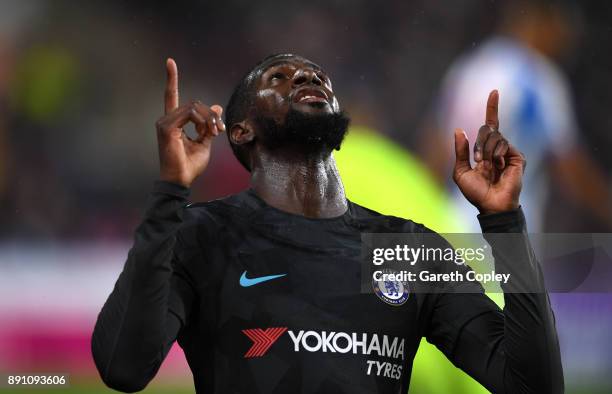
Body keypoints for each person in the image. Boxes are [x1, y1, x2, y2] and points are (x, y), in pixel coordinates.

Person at [91, 54, 563, 393]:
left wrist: (504, 223)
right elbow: (123, 367)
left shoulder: (412, 248)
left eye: (318, 76)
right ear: (241, 130)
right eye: (279, 76)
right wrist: (171, 192)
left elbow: (532, 384)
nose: (306, 77)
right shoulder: (202, 234)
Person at [421, 1, 612, 232]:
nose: (565, 41)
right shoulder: (537, 79)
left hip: (454, 220)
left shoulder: (470, 68)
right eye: (563, 29)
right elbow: (571, 169)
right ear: (542, 23)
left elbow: (435, 148)